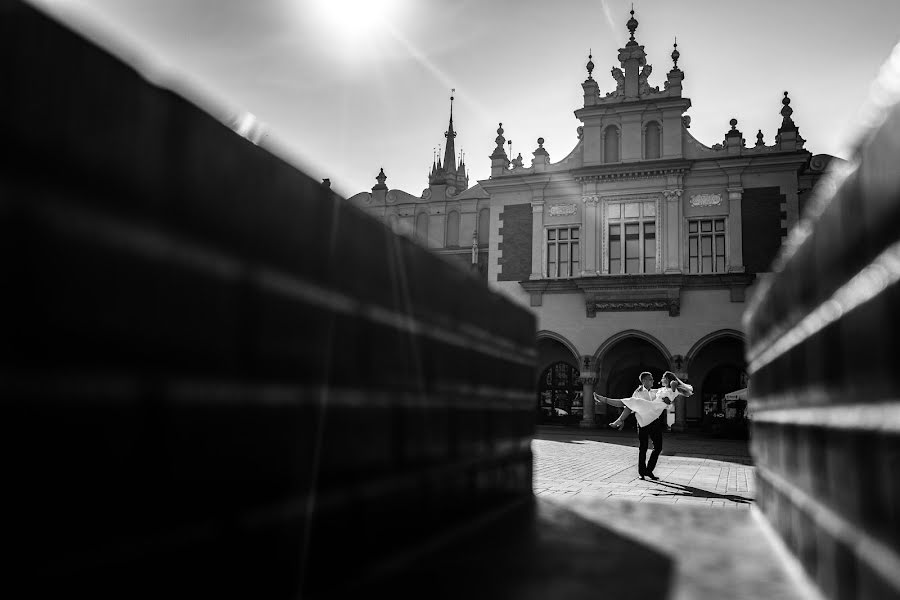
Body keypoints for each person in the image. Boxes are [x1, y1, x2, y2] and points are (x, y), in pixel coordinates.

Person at [594, 371, 693, 480]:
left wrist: (669, 403)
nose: (653, 381)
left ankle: (649, 471)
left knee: (658, 447)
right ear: (644, 381)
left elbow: (667, 404)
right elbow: (631, 407)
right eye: (650, 379)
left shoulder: (657, 391)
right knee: (643, 447)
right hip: (643, 420)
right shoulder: (638, 392)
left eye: (652, 379)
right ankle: (642, 472)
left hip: (654, 419)